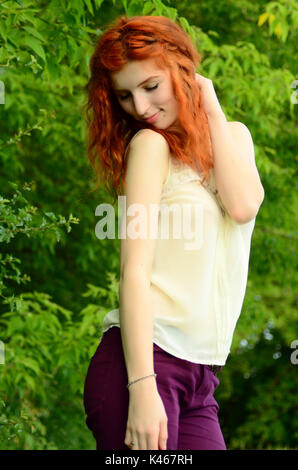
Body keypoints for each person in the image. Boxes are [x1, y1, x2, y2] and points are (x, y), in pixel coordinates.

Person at [82, 15, 265, 451]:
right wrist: (142, 390)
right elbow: (134, 272)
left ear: (182, 70)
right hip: (145, 364)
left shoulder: (235, 138)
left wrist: (210, 102)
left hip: (201, 379)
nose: (140, 109)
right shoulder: (150, 147)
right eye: (125, 95)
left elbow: (242, 206)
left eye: (151, 87)